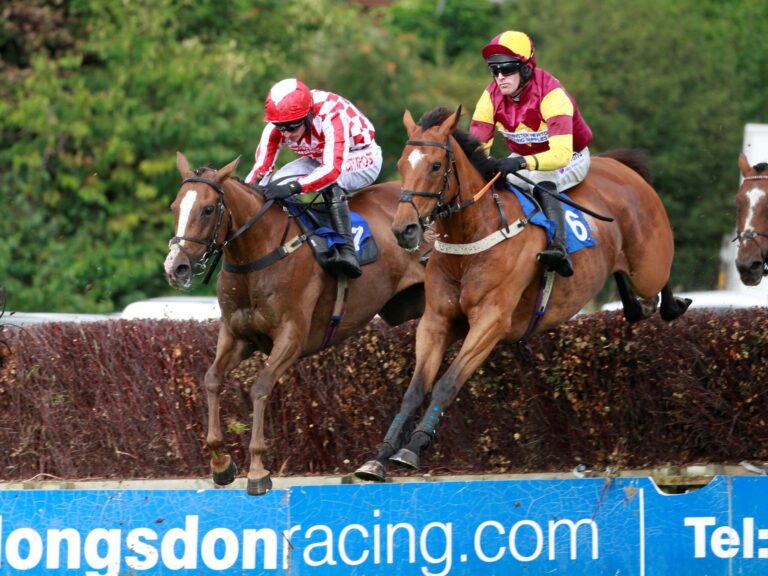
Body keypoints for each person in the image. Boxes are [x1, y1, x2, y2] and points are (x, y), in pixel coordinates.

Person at [470, 31, 593, 277]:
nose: (500, 77)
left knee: (539, 179)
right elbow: (476, 148)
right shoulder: (490, 96)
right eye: (494, 70)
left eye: (507, 69)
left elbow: (559, 155)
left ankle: (560, 248)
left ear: (526, 68)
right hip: (527, 161)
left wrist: (519, 163)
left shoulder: (552, 95)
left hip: (571, 157)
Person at [245, 78, 383, 278]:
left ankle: (347, 250)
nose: (286, 134)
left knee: (328, 181)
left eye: (291, 127)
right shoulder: (277, 128)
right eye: (280, 127)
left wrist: (295, 186)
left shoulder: (331, 115)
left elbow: (331, 170)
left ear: (308, 115)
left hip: (363, 156)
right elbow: (260, 172)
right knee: (277, 182)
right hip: (321, 157)